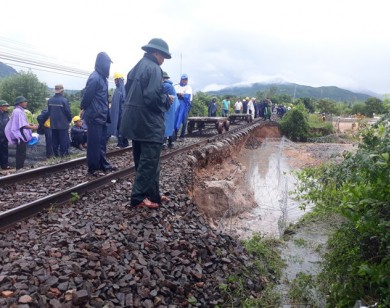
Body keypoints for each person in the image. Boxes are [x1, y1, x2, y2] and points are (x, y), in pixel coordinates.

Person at [120, 38, 173, 209]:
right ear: (156, 53)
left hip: (135, 120)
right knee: (149, 162)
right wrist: (166, 100)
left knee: (144, 159)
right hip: (149, 123)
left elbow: (129, 92)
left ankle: (153, 195)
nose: (163, 59)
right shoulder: (155, 68)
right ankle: (138, 198)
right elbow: (152, 97)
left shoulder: (136, 66)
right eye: (163, 56)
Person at [81, 52, 116, 176]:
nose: (108, 67)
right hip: (95, 116)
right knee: (94, 144)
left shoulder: (102, 78)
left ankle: (103, 165)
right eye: (107, 64)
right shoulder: (95, 77)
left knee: (101, 142)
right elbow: (87, 96)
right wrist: (83, 108)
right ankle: (93, 168)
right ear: (102, 63)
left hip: (102, 115)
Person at [4, 96, 38, 171]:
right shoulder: (18, 111)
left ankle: (19, 168)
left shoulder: (18, 110)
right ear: (20, 103)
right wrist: (33, 128)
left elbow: (20, 123)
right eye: (24, 101)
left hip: (19, 133)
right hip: (20, 134)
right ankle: (19, 168)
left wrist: (30, 124)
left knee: (21, 151)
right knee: (21, 152)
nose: (26, 103)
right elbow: (22, 126)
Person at [48, 84, 72, 157]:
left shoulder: (50, 100)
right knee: (63, 140)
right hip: (63, 124)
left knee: (54, 140)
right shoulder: (64, 100)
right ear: (62, 91)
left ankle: (56, 155)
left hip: (53, 124)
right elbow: (68, 112)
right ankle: (63, 155)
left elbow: (49, 111)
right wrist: (69, 120)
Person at [107, 72, 128, 148]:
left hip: (121, 113)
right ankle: (123, 142)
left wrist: (121, 113)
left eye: (116, 80)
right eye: (115, 80)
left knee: (120, 128)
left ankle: (122, 143)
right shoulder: (117, 89)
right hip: (117, 113)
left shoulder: (122, 89)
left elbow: (123, 102)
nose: (115, 81)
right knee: (119, 127)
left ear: (119, 79)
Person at [162, 71, 180, 149]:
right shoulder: (171, 86)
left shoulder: (165, 85)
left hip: (166, 108)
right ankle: (171, 142)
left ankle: (163, 144)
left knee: (165, 125)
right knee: (170, 125)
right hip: (172, 108)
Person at [174, 74, 192, 141]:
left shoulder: (188, 87)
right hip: (177, 106)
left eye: (185, 79)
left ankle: (182, 136)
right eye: (183, 79)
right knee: (175, 120)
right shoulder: (176, 86)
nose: (184, 81)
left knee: (184, 121)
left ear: (187, 80)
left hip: (185, 107)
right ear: (181, 79)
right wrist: (180, 95)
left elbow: (187, 97)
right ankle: (174, 136)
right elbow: (174, 94)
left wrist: (181, 95)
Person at [0, 100, 10, 170]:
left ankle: (4, 166)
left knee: (4, 151)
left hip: (4, 136)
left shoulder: (6, 114)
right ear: (1, 107)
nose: (7, 107)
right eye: (5, 106)